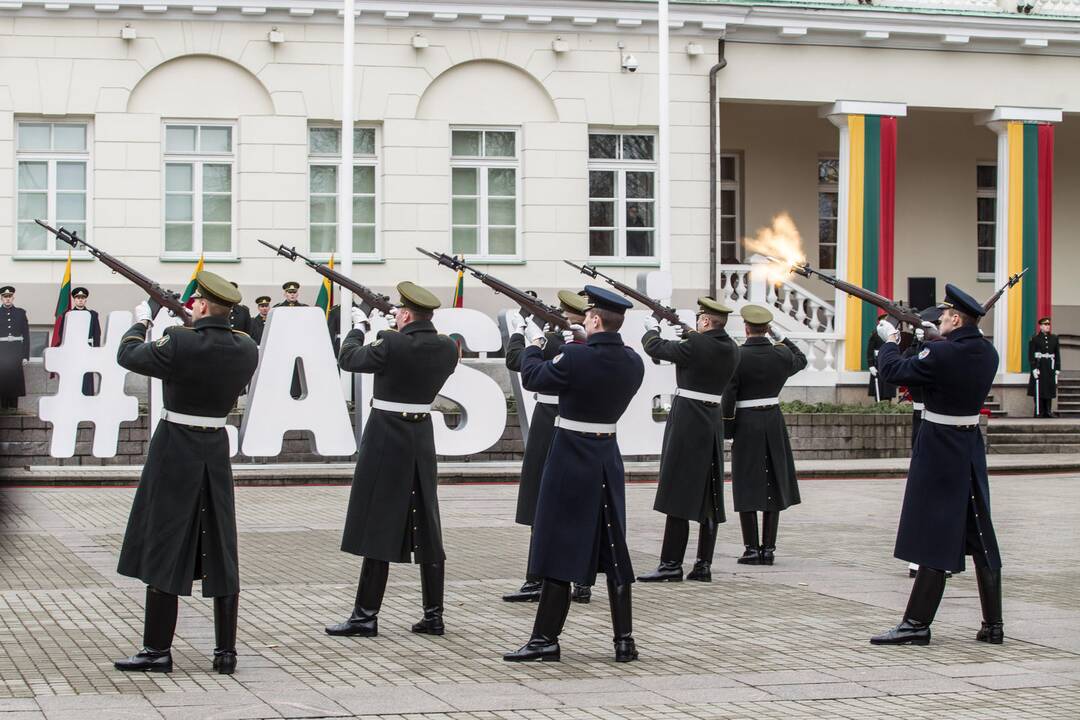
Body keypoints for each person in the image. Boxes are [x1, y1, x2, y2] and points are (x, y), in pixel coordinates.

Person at [113, 271, 259, 674]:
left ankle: (157, 650)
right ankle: (225, 652)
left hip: (176, 448)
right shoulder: (247, 347)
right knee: (221, 546)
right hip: (215, 449)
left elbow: (128, 355)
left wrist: (144, 318)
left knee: (165, 540)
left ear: (198, 304)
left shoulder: (179, 341)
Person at [504, 285, 644, 663]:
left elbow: (533, 375)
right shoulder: (633, 361)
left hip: (569, 455)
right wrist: (579, 343)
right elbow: (598, 366)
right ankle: (624, 641)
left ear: (595, 319)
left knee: (556, 545)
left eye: (588, 315)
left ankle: (545, 640)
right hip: (607, 457)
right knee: (614, 548)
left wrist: (534, 341)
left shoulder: (574, 357)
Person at [870, 284, 1002, 647]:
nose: (940, 319)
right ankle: (993, 624)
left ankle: (916, 623)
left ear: (957, 319)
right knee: (981, 535)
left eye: (944, 315)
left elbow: (894, 372)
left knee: (932, 533)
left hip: (940, 447)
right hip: (969, 446)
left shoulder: (943, 354)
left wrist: (892, 340)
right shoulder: (987, 352)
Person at [326, 282, 458, 639]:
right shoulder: (447, 347)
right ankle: (434, 615)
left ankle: (365, 615)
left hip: (387, 436)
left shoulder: (392, 342)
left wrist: (360, 327)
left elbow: (349, 358)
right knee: (427, 524)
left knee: (377, 523)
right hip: (421, 436)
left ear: (404, 315)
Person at [637, 297, 738, 583]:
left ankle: (671, 564)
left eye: (699, 320)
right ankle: (702, 565)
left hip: (688, 420)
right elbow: (702, 350)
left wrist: (651, 327)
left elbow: (654, 347)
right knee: (710, 495)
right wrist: (690, 335)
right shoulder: (731, 347)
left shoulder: (696, 345)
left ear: (705, 321)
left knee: (677, 491)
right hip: (712, 421)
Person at [503, 290, 593, 604]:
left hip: (549, 421)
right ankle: (582, 580)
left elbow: (515, 361)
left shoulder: (554, 342)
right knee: (578, 503)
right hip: (582, 423)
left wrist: (519, 330)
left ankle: (536, 579)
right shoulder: (590, 344)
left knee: (539, 501)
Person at [721, 305, 807, 566]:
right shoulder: (780, 354)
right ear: (767, 329)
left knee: (747, 483)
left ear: (746, 328)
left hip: (746, 422)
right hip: (772, 420)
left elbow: (729, 396)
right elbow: (801, 359)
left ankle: (751, 549)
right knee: (773, 481)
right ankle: (768, 549)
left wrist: (728, 431)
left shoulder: (737, 356)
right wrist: (782, 338)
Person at [55, 287, 102, 395]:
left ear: (86, 300)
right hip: (73, 351)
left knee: (87, 376)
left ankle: (88, 396)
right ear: (74, 300)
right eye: (78, 298)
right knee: (73, 375)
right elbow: (62, 334)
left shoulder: (93, 314)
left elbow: (97, 334)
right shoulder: (68, 314)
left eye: (83, 298)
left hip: (87, 350)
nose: (80, 300)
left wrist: (96, 351)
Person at [275, 282, 307, 398]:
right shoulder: (278, 309)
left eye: (294, 292)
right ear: (285, 294)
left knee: (298, 372)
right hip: (284, 345)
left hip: (300, 345)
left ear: (297, 294)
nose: (292, 295)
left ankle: (298, 393)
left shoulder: (305, 308)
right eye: (290, 293)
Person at [0, 286, 30, 410]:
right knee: (3, 382)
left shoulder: (20, 313)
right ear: (1, 298)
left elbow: (26, 335)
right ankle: (3, 410)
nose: (7, 299)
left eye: (9, 297)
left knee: (14, 383)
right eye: (5, 297)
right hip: (1, 352)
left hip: (16, 353)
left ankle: (14, 410)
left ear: (13, 297)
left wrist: (25, 356)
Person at [1028, 317, 1061, 418]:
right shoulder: (1035, 338)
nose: (1047, 326)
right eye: (1045, 325)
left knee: (1049, 389)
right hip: (1040, 366)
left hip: (1050, 367)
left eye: (1048, 325)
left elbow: (1057, 354)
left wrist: (1057, 368)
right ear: (1041, 326)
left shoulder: (1054, 338)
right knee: (1039, 390)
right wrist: (1033, 368)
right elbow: (1031, 354)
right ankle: (1039, 411)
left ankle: (1048, 411)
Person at [866, 313, 897, 402]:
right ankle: (879, 405)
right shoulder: (875, 333)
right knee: (878, 388)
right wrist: (871, 365)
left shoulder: (893, 333)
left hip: (889, 362)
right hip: (878, 362)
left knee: (888, 387)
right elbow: (870, 350)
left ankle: (888, 403)